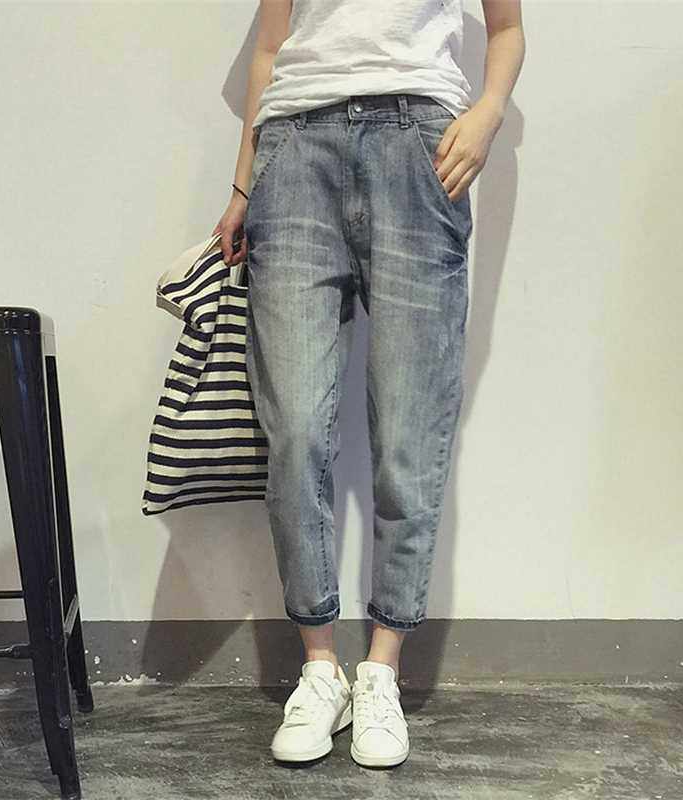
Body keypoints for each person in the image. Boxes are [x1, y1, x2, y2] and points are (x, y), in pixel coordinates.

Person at [213, 0, 525, 768]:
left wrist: (488, 112)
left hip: (419, 143)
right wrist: (245, 186)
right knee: (294, 430)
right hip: (296, 148)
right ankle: (321, 668)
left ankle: (381, 670)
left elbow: (508, 28)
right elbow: (270, 47)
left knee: (411, 432)